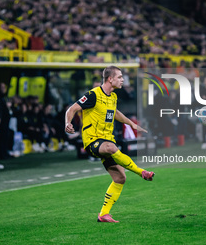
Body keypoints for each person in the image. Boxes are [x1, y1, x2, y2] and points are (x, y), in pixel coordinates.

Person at [65, 66, 155, 223]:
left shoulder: (112, 97)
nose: (122, 80)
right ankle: (142, 172)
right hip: (93, 140)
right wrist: (68, 122)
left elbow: (115, 113)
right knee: (111, 148)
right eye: (119, 77)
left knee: (120, 178)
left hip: (107, 140)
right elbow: (72, 109)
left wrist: (131, 124)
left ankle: (104, 214)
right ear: (110, 79)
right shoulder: (93, 95)